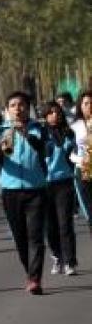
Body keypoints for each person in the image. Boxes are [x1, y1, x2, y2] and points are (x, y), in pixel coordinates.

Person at [0, 91, 48, 295]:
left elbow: (46, 150)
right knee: (20, 237)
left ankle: (35, 278)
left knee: (35, 236)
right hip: (11, 190)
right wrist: (2, 150)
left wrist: (26, 136)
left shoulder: (39, 128)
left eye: (21, 105)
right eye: (13, 105)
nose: (17, 109)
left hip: (36, 189)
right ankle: (29, 272)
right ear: (7, 110)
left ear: (28, 108)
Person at [42, 102, 78, 276]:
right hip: (45, 184)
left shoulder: (69, 133)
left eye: (57, 112)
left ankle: (70, 261)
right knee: (51, 226)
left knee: (65, 224)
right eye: (50, 113)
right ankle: (57, 256)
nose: (54, 116)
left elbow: (76, 155)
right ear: (45, 116)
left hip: (65, 183)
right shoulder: (41, 134)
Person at [70, 91, 92, 237]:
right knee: (90, 214)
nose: (90, 106)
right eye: (86, 103)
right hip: (84, 172)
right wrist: (80, 160)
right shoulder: (74, 126)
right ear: (80, 106)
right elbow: (69, 153)